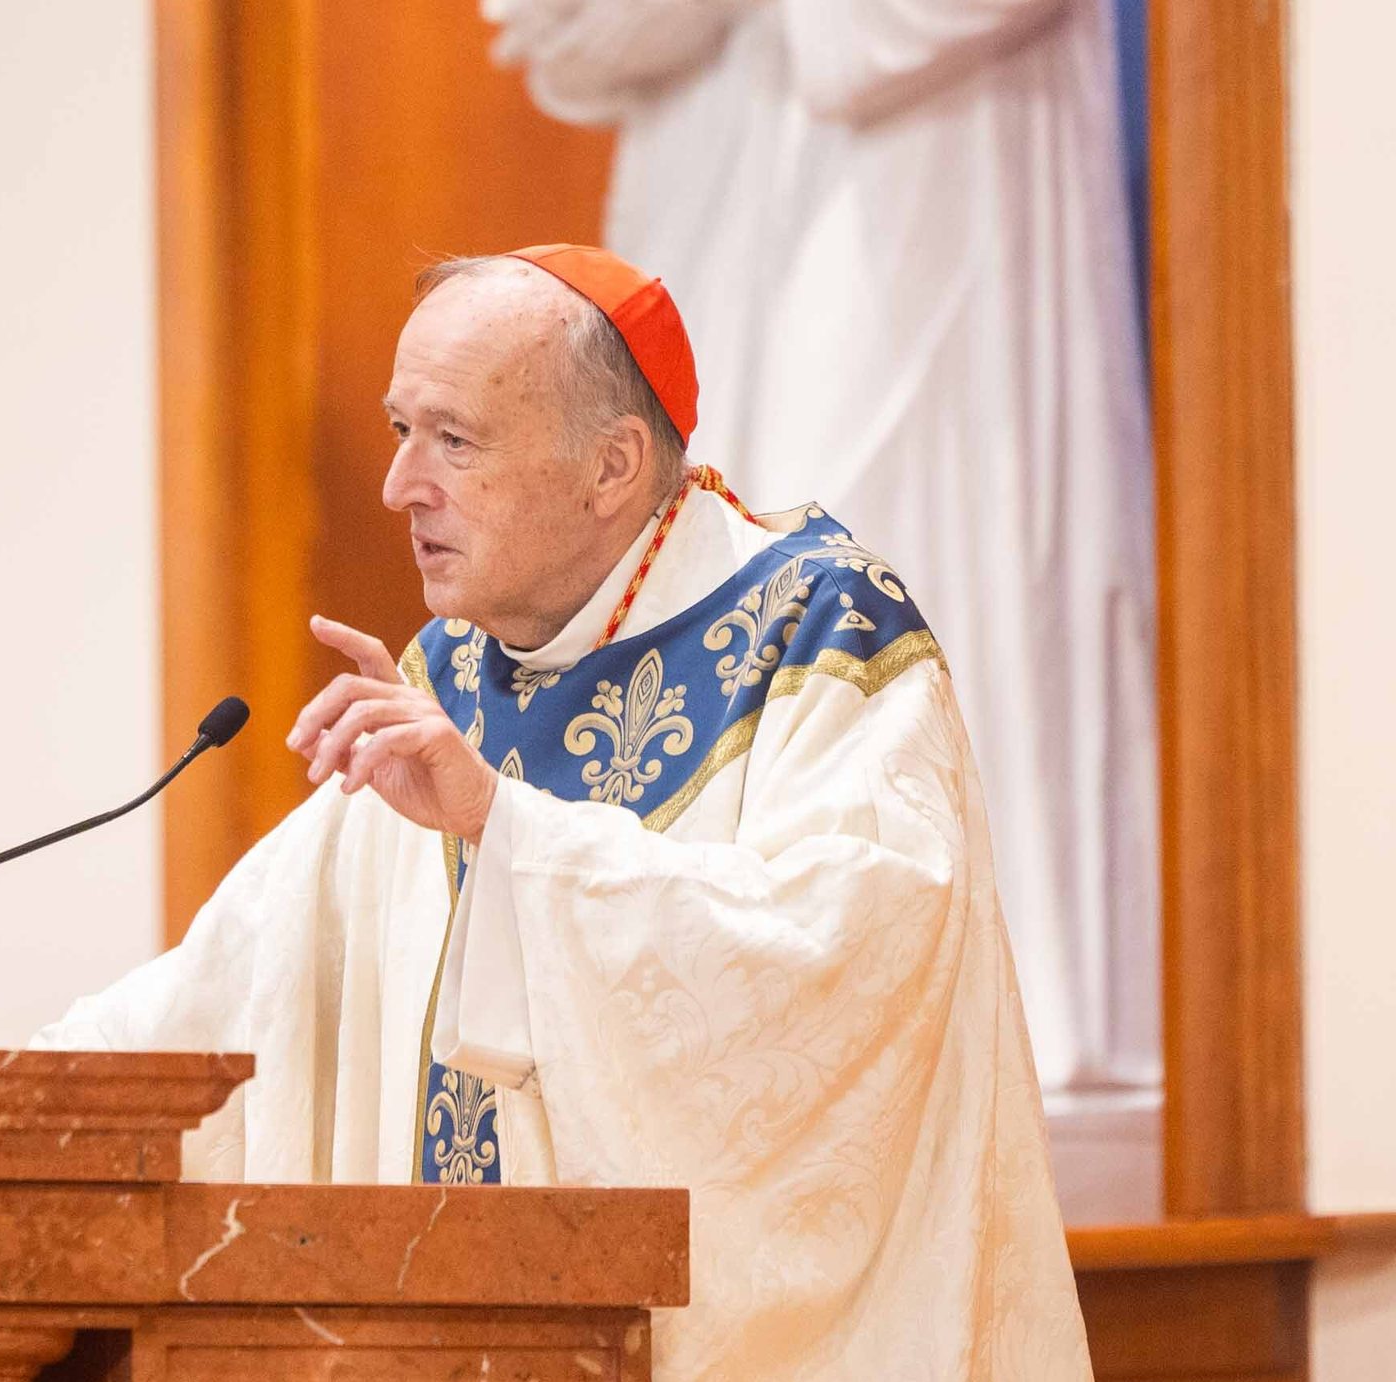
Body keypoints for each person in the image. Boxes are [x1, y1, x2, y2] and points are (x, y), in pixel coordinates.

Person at [36, 245, 1126, 1382]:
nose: (398, 487)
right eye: (399, 431)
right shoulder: (455, 679)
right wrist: (16, 1105)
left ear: (613, 467)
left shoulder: (819, 632)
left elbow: (851, 964)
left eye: (454, 439)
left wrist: (511, 829)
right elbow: (249, 973)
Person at [483, 0, 1162, 1101]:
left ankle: (940, 976)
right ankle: (713, 972)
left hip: (932, 155)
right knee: (703, 526)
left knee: (887, 528)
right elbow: (566, 33)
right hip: (715, 143)